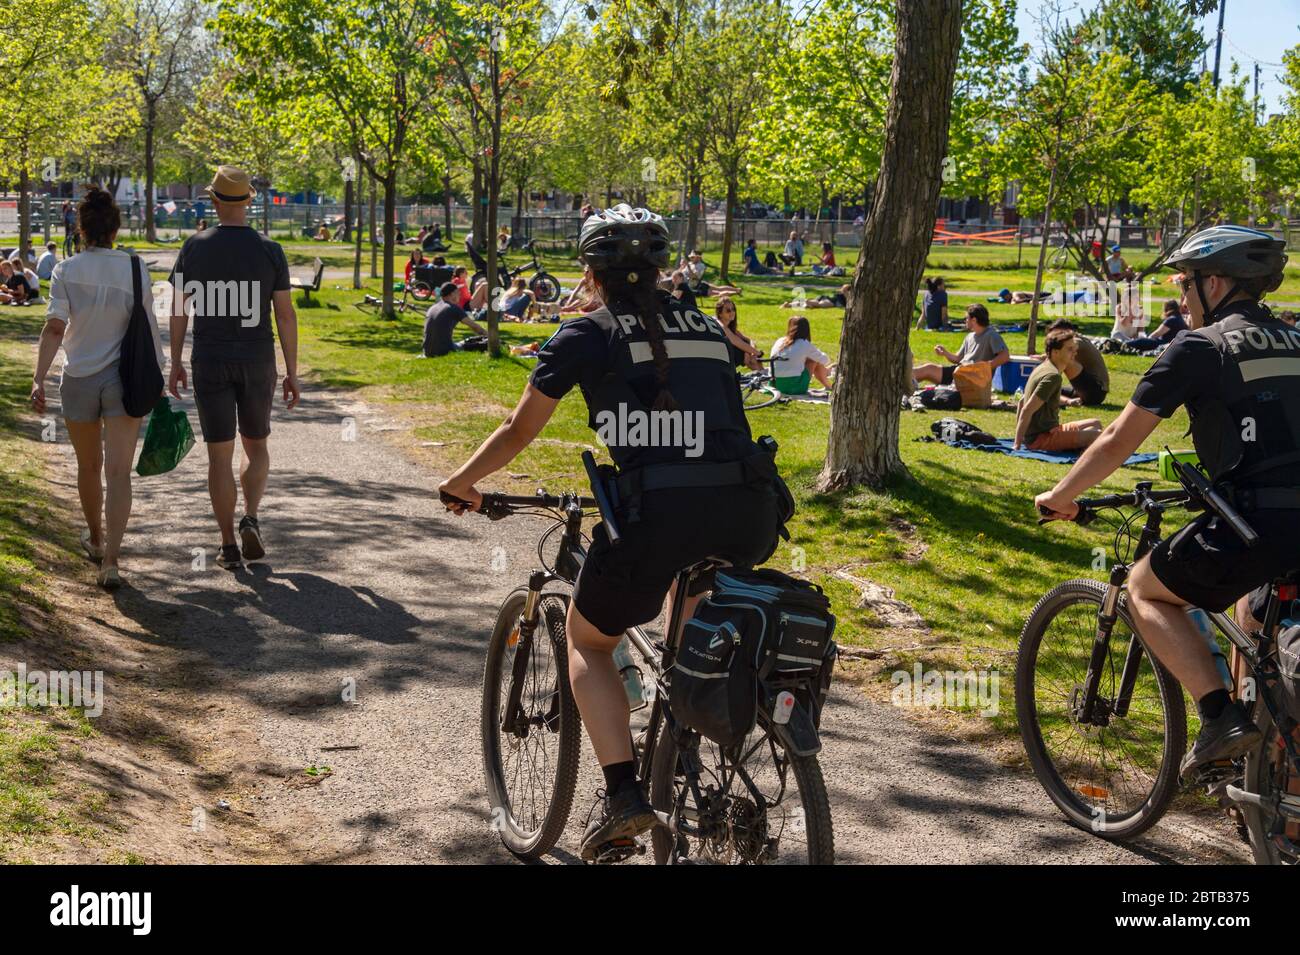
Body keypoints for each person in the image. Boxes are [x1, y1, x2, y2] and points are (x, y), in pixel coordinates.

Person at [437, 205, 783, 860]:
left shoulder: (585, 333)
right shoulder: (710, 328)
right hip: (748, 510)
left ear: (590, 272)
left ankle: (624, 792)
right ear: (658, 269)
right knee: (692, 621)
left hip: (661, 515)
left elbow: (517, 430)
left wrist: (461, 481)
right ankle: (696, 743)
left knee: (589, 640)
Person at [1035, 225, 1299, 780]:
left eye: (1183, 282)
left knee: (1144, 587)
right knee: (1250, 614)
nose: (1178, 297)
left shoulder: (1201, 347)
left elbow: (1116, 441)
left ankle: (1219, 719)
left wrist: (1061, 496)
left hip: (1259, 520)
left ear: (1216, 282)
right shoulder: (1295, 340)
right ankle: (1264, 786)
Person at [167, 165, 301, 570]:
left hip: (210, 358)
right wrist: (291, 371)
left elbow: (177, 309)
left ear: (213, 201)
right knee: (256, 446)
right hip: (257, 357)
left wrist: (174, 362)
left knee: (218, 457)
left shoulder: (194, 247)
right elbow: (285, 314)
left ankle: (227, 544)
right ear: (249, 201)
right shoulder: (270, 251)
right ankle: (251, 517)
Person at [29, 188, 164, 589]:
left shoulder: (65, 271)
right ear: (115, 229)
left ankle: (96, 536)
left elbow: (55, 327)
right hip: (125, 379)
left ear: (80, 229)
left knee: (88, 467)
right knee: (119, 472)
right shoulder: (136, 268)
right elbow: (149, 329)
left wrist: (38, 378)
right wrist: (161, 375)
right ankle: (112, 560)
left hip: (80, 378)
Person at [1013, 329, 1102, 452]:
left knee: (1096, 423)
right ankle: (1082, 452)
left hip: (1049, 431)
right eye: (1069, 349)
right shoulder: (1052, 376)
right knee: (1097, 435)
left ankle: (1078, 446)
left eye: (1074, 348)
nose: (1075, 352)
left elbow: (1024, 400)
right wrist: (1017, 444)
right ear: (1055, 352)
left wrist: (1068, 402)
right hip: (1043, 438)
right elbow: (1026, 409)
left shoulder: (1043, 367)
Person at [913, 304, 1009, 385]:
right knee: (927, 369)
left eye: (967, 318)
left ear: (974, 320)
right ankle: (903, 382)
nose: (965, 321)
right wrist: (945, 353)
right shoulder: (969, 336)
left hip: (970, 376)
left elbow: (1004, 355)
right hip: (960, 371)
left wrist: (984, 367)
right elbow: (958, 359)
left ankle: (901, 380)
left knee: (928, 369)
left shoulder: (991, 335)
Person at [1044, 319, 1109, 406]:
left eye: (1057, 334)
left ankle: (1045, 388)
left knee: (1063, 359)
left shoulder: (1076, 342)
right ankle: (1048, 394)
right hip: (1092, 391)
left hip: (1095, 392)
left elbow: (1056, 355)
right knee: (1051, 391)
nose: (1055, 338)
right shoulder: (1079, 340)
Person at [769, 315, 833, 394]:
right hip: (793, 387)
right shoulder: (804, 344)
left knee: (806, 358)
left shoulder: (780, 341)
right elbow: (825, 360)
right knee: (813, 360)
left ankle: (828, 382)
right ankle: (829, 386)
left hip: (774, 385)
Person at [422, 282, 488, 356]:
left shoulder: (432, 307)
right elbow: (476, 328)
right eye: (458, 292)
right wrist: (491, 337)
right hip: (444, 351)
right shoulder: (453, 308)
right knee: (482, 343)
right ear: (452, 294)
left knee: (465, 342)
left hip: (427, 351)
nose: (460, 295)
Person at [715, 296, 761, 370]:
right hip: (718, 358)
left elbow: (749, 340)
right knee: (744, 350)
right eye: (728, 310)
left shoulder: (730, 326)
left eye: (733, 309)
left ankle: (761, 371)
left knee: (746, 348)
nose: (732, 312)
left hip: (726, 355)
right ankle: (761, 372)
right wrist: (758, 353)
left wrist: (753, 352)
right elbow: (735, 341)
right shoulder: (719, 324)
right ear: (720, 313)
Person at [782, 283, 850, 309]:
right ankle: (809, 302)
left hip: (826, 298)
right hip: (831, 301)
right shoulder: (848, 294)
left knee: (811, 304)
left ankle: (789, 305)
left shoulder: (846, 294)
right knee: (820, 304)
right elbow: (845, 288)